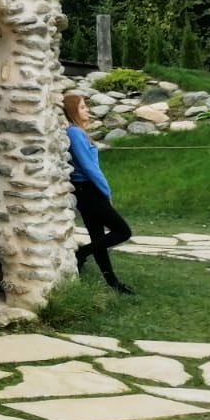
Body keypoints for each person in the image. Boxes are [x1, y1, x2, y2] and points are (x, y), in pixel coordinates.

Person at [64, 92, 135, 294]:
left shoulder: (77, 131)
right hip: (88, 190)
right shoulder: (75, 133)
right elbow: (89, 167)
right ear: (72, 111)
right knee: (123, 231)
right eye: (83, 107)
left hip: (85, 190)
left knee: (98, 237)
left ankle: (112, 282)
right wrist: (105, 191)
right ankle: (80, 253)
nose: (87, 111)